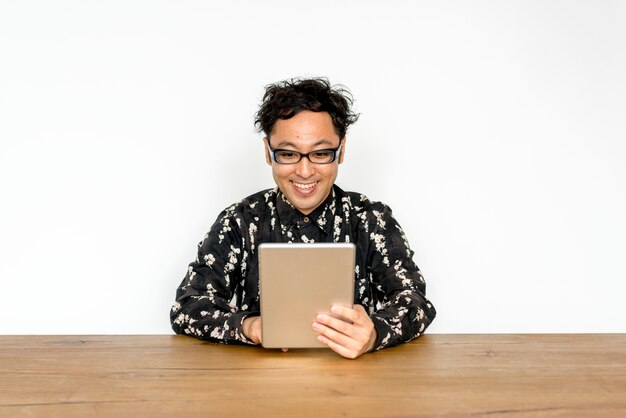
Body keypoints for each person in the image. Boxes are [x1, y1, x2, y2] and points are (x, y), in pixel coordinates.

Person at [170, 77, 436, 359]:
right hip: (258, 382)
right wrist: (250, 326)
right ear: (268, 152)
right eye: (288, 154)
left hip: (353, 380)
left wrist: (374, 333)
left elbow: (415, 301)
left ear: (341, 150)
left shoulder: (370, 219)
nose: (305, 171)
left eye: (321, 153)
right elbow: (188, 306)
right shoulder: (240, 221)